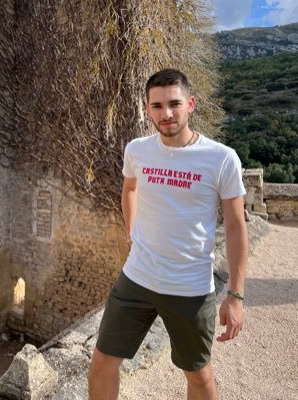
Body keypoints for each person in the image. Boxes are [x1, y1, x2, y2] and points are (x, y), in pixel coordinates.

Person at [88, 68, 249, 400]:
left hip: (189, 288)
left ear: (190, 104)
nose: (167, 113)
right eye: (157, 106)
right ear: (148, 109)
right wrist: (131, 230)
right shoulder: (137, 150)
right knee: (102, 363)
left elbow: (235, 227)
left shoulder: (221, 159)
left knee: (198, 376)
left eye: (174, 104)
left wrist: (235, 295)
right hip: (136, 279)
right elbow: (129, 189)